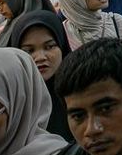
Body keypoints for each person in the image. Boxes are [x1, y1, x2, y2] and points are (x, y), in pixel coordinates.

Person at [7, 10, 74, 141]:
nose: (41, 57)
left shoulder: (79, 92)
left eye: (50, 46)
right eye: (29, 51)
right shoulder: (11, 100)